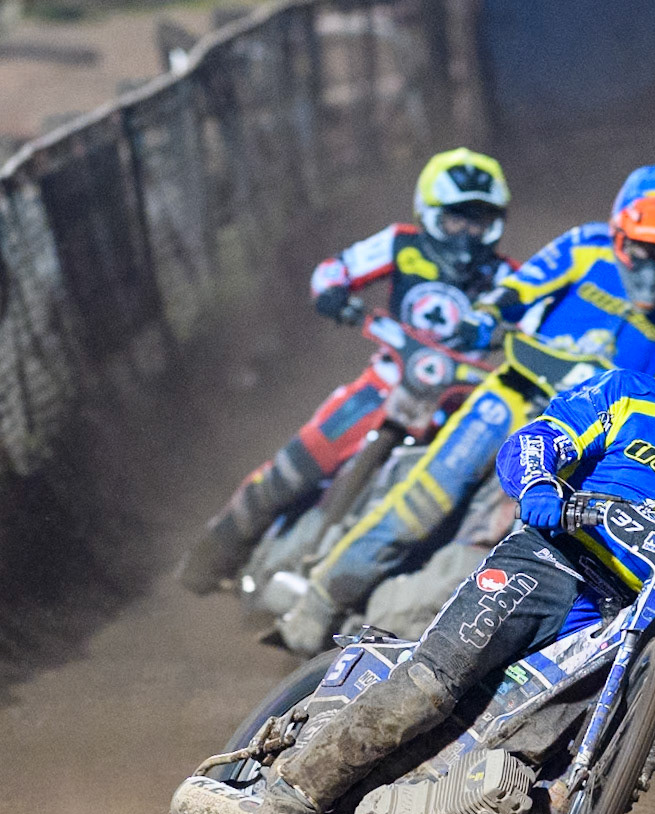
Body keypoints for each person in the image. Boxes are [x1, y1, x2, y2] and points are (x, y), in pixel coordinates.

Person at [245, 303, 655, 814]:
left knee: (615, 726)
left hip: (633, 612)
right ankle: (292, 794)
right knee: (431, 687)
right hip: (551, 560)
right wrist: (539, 485)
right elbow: (540, 437)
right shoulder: (627, 396)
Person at [276, 164, 655, 653]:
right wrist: (482, 321)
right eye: (640, 250)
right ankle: (312, 610)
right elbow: (519, 289)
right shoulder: (583, 246)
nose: (650, 269)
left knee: (491, 546)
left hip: (574, 443)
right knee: (421, 501)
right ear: (617, 233)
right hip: (509, 392)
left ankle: (390, 627)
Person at [177, 148, 516, 594]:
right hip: (387, 380)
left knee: (450, 500)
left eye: (479, 220)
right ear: (430, 213)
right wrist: (337, 296)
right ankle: (213, 552)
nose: (466, 234)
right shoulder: (402, 243)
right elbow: (335, 270)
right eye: (456, 218)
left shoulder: (508, 277)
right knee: (295, 465)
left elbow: (535, 328)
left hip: (456, 403)